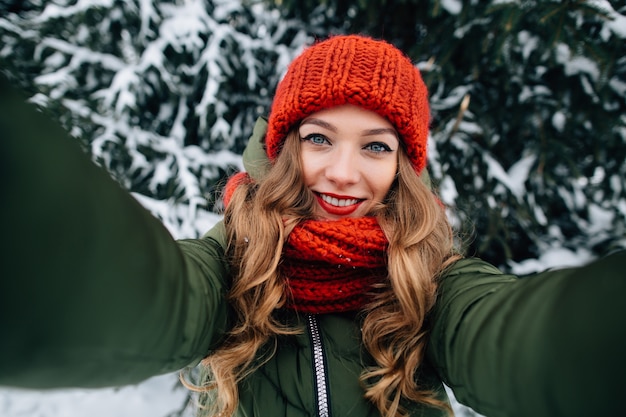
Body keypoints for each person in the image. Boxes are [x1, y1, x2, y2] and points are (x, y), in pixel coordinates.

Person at [0, 34, 624, 417]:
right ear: (284, 148)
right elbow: (143, 297)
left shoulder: (433, 281)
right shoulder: (233, 262)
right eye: (319, 138)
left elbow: (520, 339)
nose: (343, 172)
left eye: (375, 147)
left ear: (405, 165)